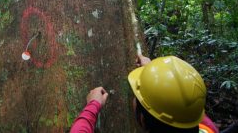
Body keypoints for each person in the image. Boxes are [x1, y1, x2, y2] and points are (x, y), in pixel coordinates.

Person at [70, 54, 219, 133]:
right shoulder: (208, 128)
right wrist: (152, 72)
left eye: (137, 97)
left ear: (143, 120)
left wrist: (92, 106)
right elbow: (184, 103)